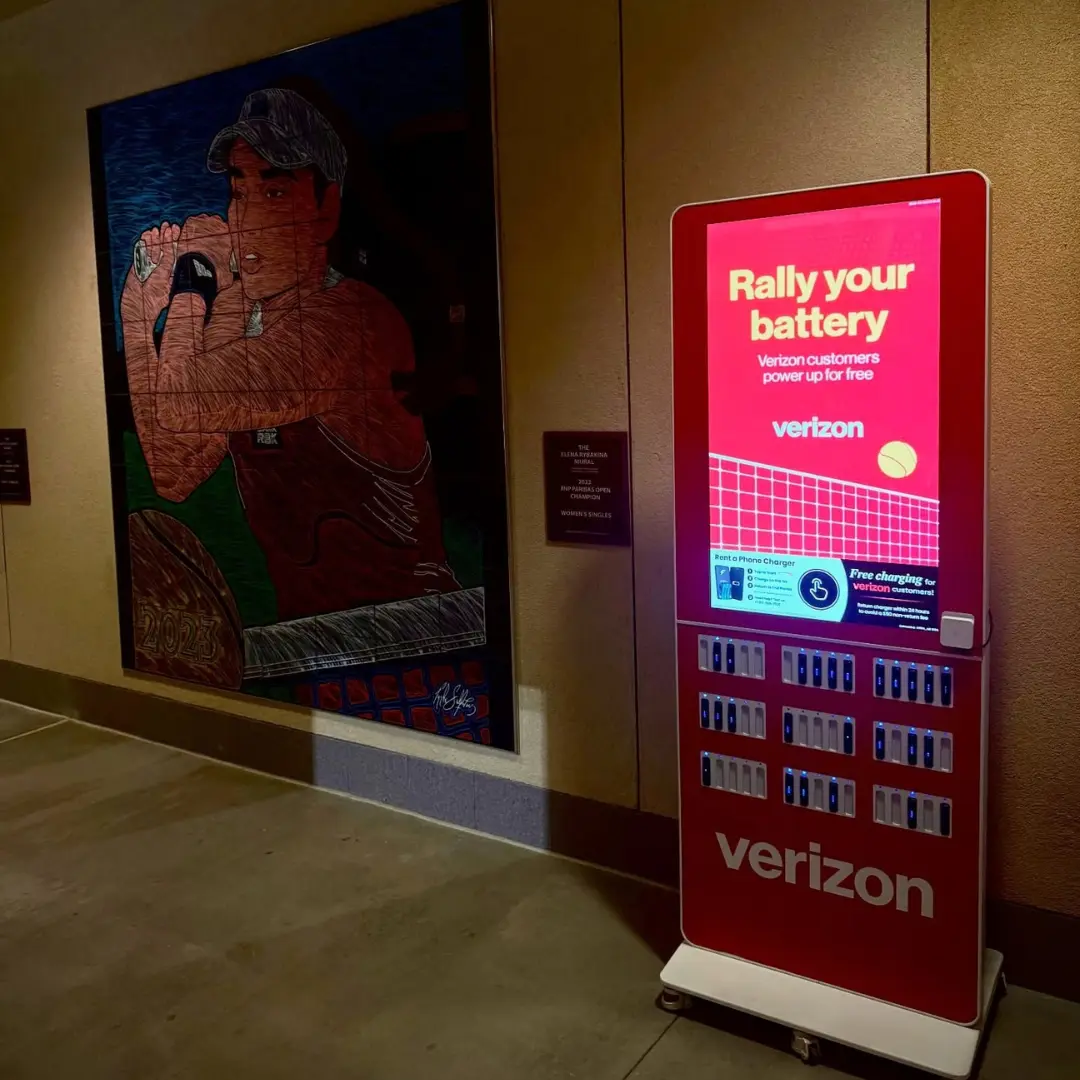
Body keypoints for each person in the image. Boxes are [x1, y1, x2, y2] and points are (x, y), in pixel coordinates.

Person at [119, 88, 459, 622]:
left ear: (325, 210)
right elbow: (173, 470)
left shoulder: (350, 320)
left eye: (274, 193)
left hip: (409, 631)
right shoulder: (245, 316)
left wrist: (193, 281)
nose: (246, 221)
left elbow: (183, 401)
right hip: (312, 634)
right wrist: (138, 313)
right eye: (238, 192)